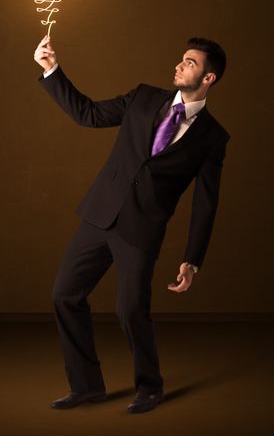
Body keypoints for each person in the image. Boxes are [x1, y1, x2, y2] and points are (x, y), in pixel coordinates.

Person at [33, 35, 229, 414]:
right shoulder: (143, 97)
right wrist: (50, 69)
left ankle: (150, 387)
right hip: (100, 214)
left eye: (189, 62)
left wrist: (193, 259)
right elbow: (86, 114)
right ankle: (87, 387)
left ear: (209, 78)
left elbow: (206, 202)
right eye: (182, 58)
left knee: (130, 309)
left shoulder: (213, 138)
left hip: (141, 230)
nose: (179, 65)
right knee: (64, 295)